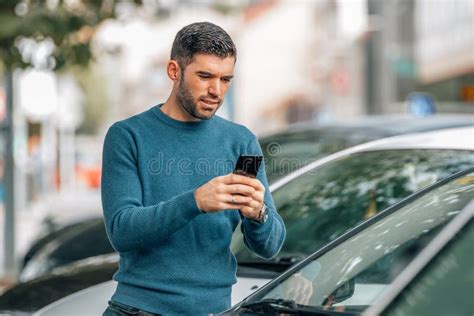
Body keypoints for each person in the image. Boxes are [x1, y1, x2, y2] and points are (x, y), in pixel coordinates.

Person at [101, 21, 286, 315]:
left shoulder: (241, 141)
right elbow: (122, 231)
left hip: (213, 310)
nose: (216, 90)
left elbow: (271, 245)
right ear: (174, 71)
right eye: (205, 76)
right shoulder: (128, 136)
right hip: (138, 309)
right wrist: (196, 201)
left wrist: (257, 214)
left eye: (226, 79)